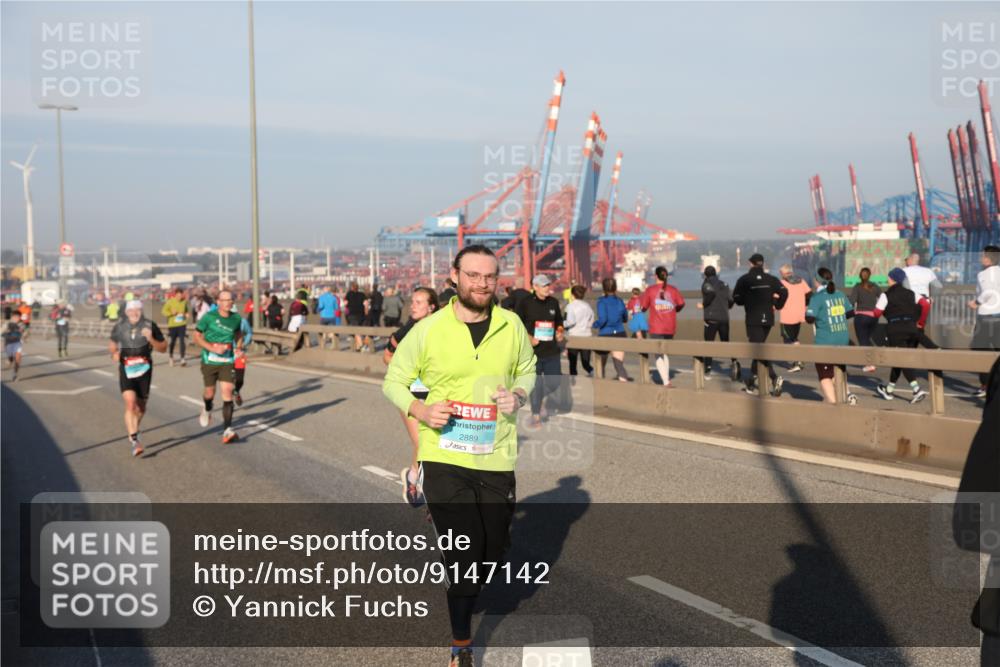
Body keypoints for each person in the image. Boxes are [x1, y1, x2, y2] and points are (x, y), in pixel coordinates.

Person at [382, 244, 535, 667]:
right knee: (465, 557)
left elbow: (528, 369)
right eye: (473, 275)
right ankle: (461, 645)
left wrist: (519, 395)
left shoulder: (511, 325)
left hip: (496, 455)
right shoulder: (429, 329)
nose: (482, 283)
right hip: (443, 454)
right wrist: (421, 409)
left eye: (489, 276)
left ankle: (466, 581)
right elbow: (394, 380)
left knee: (494, 548)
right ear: (455, 276)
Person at [383, 287, 439, 506]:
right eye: (412, 302)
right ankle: (424, 487)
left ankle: (414, 476)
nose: (413, 306)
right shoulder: (405, 331)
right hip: (410, 395)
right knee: (424, 442)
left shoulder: (443, 329)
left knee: (435, 444)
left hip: (435, 394)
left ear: (431, 307)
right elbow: (387, 357)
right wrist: (406, 368)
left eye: (418, 302)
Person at [108, 300, 167, 457]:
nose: (134, 313)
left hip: (144, 369)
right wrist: (114, 353)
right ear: (126, 312)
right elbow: (112, 344)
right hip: (126, 367)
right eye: (131, 310)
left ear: (142, 311)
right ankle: (135, 440)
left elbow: (163, 348)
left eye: (138, 310)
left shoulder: (150, 325)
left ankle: (134, 428)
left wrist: (151, 340)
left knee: (140, 408)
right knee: (130, 403)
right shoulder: (120, 326)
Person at [733, 253, 788, 396]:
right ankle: (751, 383)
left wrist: (747, 299)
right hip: (768, 319)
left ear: (750, 264)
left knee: (758, 350)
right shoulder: (771, 279)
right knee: (758, 348)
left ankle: (774, 378)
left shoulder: (744, 279)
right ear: (762, 264)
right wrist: (778, 304)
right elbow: (784, 291)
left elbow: (736, 298)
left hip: (753, 318)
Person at [194, 289, 244, 444]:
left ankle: (227, 430)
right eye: (225, 300)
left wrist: (238, 347)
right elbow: (197, 336)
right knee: (209, 392)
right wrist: (212, 348)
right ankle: (208, 408)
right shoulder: (209, 317)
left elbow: (238, 334)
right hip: (209, 360)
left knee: (227, 391)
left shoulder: (236, 318)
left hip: (227, 361)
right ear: (218, 302)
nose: (229, 302)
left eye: (231, 299)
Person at [873, 268, 930, 403]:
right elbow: (926, 305)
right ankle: (889, 390)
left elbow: (876, 313)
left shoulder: (885, 295)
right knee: (899, 360)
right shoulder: (911, 293)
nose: (887, 279)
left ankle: (916, 390)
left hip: (895, 330)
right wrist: (920, 323)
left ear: (892, 279)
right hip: (912, 330)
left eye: (888, 277)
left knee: (901, 360)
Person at [515, 274, 565, 428]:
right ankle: (535, 414)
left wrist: (560, 331)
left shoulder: (553, 302)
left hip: (551, 351)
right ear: (535, 287)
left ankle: (540, 401)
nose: (547, 288)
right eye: (543, 285)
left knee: (554, 382)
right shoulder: (525, 303)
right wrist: (529, 337)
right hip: (533, 353)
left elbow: (559, 321)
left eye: (548, 285)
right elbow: (516, 324)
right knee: (536, 384)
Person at [805, 271, 855, 404]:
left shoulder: (817, 297)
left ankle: (834, 406)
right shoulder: (840, 294)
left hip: (825, 342)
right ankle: (847, 397)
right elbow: (850, 313)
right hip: (843, 340)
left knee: (825, 376)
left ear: (817, 281)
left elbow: (809, 319)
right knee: (838, 372)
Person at [639, 266, 685, 387]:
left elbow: (643, 308)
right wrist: (674, 309)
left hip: (656, 327)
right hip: (670, 326)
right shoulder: (673, 289)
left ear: (655, 276)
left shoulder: (650, 290)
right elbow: (681, 304)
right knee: (665, 353)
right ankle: (667, 378)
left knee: (658, 354)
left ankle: (665, 381)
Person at [969, 245, 1000, 398]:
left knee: (979, 351)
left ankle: (985, 385)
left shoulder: (983, 274)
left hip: (987, 316)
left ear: (988, 259)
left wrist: (976, 302)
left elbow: (988, 292)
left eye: (982, 256)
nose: (981, 258)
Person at [698, 266, 738, 379]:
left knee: (709, 344)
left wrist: (704, 304)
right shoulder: (724, 284)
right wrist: (727, 307)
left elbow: (710, 294)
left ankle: (708, 370)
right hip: (724, 318)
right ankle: (735, 362)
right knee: (726, 342)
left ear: (705, 275)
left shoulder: (706, 284)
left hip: (711, 318)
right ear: (715, 274)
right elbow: (731, 300)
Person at [594, 278, 632, 382]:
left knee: (600, 366)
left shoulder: (601, 302)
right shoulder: (619, 301)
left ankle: (601, 388)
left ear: (603, 288)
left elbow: (603, 319)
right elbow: (625, 317)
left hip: (605, 334)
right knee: (619, 365)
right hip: (619, 333)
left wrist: (595, 324)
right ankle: (624, 386)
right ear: (615, 287)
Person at [779, 264, 811, 373]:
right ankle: (797, 360)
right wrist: (805, 305)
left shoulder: (782, 283)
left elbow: (776, 298)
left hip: (787, 316)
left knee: (790, 339)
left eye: (781, 273)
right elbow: (809, 294)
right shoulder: (801, 281)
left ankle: (799, 361)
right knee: (794, 337)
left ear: (783, 274)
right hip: (799, 315)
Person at [849, 267, 882, 373]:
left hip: (861, 317)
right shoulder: (875, 286)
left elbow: (852, 301)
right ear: (870, 275)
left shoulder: (857, 287)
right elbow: (882, 297)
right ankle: (874, 359)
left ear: (859, 276)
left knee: (863, 340)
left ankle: (869, 364)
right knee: (868, 338)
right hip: (873, 317)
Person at [903, 252, 942, 330]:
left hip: (910, 301)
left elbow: (905, 285)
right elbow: (938, 286)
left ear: (910, 260)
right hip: (924, 301)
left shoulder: (904, 271)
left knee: (908, 325)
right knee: (920, 325)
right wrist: (932, 297)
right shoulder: (928, 271)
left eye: (906, 260)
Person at [563, 285, 595, 380]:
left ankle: (574, 381)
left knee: (573, 362)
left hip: (574, 336)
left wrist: (561, 323)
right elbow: (591, 319)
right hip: (586, 336)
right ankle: (593, 373)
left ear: (572, 295)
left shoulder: (570, 306)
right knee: (586, 362)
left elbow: (570, 322)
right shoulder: (587, 306)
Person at [161, 287, 190, 366]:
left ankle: (182, 359)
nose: (180, 297)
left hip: (182, 324)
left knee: (182, 341)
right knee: (172, 341)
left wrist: (186, 314)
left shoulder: (184, 302)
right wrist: (171, 313)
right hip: (172, 325)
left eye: (181, 295)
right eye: (178, 296)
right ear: (175, 295)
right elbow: (163, 311)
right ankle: (171, 356)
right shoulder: (170, 302)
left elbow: (186, 311)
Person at [233, 315, 253, 407]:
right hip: (226, 353)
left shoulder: (242, 321)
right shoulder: (220, 322)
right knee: (228, 379)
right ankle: (228, 403)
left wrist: (244, 343)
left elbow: (249, 332)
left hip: (239, 353)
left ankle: (236, 391)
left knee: (240, 380)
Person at [345, 282, 367, 351]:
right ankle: (358, 347)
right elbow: (366, 304)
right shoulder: (362, 294)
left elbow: (345, 303)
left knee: (356, 331)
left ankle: (360, 345)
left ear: (352, 287)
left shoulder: (349, 294)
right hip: (361, 314)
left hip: (352, 314)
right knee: (359, 330)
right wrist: (366, 312)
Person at [4, 312, 25, 381]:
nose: (17, 318)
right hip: (8, 343)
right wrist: (6, 332)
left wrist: (23, 334)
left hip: (18, 343)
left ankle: (15, 375)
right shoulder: (7, 324)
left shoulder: (21, 324)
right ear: (12, 317)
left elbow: (25, 332)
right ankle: (10, 360)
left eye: (18, 317)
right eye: (15, 317)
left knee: (18, 359)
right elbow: (1, 331)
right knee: (10, 357)